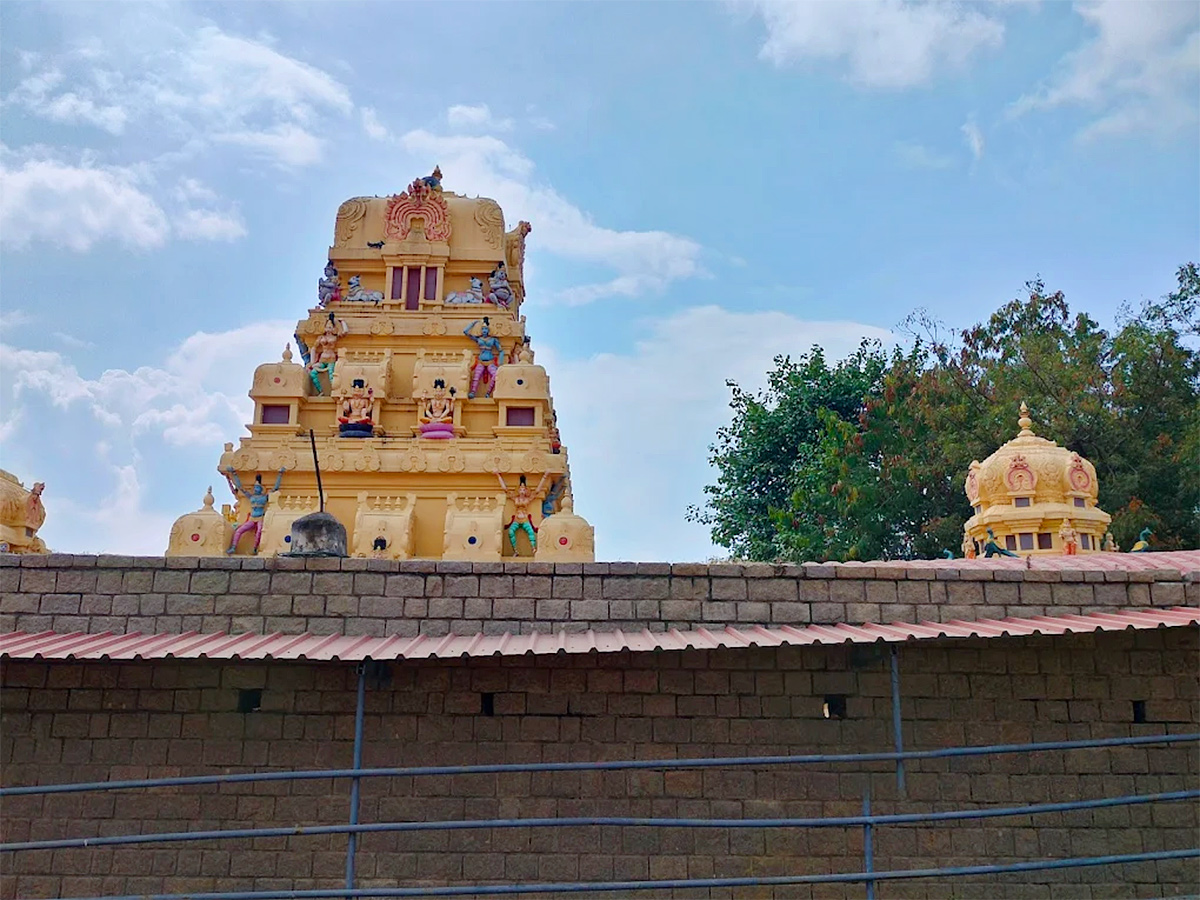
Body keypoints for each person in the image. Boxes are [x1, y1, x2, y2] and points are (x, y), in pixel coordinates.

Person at [225, 467, 285, 555]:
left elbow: (275, 488)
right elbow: (240, 487)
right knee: (239, 531)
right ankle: (233, 547)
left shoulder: (264, 497)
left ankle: (255, 548)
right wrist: (234, 474)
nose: (256, 489)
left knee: (260, 531)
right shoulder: (251, 497)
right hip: (252, 518)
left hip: (260, 518)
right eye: (255, 487)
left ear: (261, 489)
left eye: (258, 487)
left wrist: (280, 474)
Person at [495, 469, 551, 554]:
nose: (522, 491)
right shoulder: (515, 498)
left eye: (524, 489)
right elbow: (505, 489)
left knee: (531, 532)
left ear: (526, 491)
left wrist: (545, 476)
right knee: (510, 532)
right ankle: (515, 550)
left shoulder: (528, 499)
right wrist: (498, 475)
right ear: (518, 490)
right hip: (517, 519)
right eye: (520, 489)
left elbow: (537, 491)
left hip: (525, 519)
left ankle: (533, 549)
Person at [464, 318, 505, 398]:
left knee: (496, 375)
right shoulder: (478, 339)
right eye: (483, 329)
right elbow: (465, 332)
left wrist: (501, 363)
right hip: (481, 361)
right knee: (476, 376)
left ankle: (488, 393)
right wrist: (473, 323)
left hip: (490, 361)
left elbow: (501, 351)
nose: (484, 331)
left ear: (489, 330)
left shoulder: (493, 340)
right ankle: (472, 392)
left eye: (486, 329)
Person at [308, 313, 346, 394]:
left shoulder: (335, 337)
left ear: (333, 329)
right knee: (313, 374)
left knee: (332, 377)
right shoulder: (321, 338)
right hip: (322, 360)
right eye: (327, 327)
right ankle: (320, 391)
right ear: (324, 328)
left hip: (331, 360)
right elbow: (313, 348)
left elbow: (345, 331)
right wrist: (312, 362)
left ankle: (335, 392)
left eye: (330, 327)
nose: (328, 329)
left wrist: (342, 322)